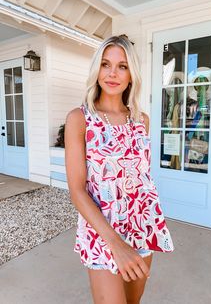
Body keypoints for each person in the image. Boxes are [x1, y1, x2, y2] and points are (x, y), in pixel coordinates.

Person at [65, 35, 174, 304]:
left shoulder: (141, 120)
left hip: (142, 226)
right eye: (105, 64)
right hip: (102, 233)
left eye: (122, 66)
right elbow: (78, 191)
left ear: (131, 74)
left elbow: (141, 181)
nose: (112, 73)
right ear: (97, 69)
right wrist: (116, 244)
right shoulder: (80, 119)